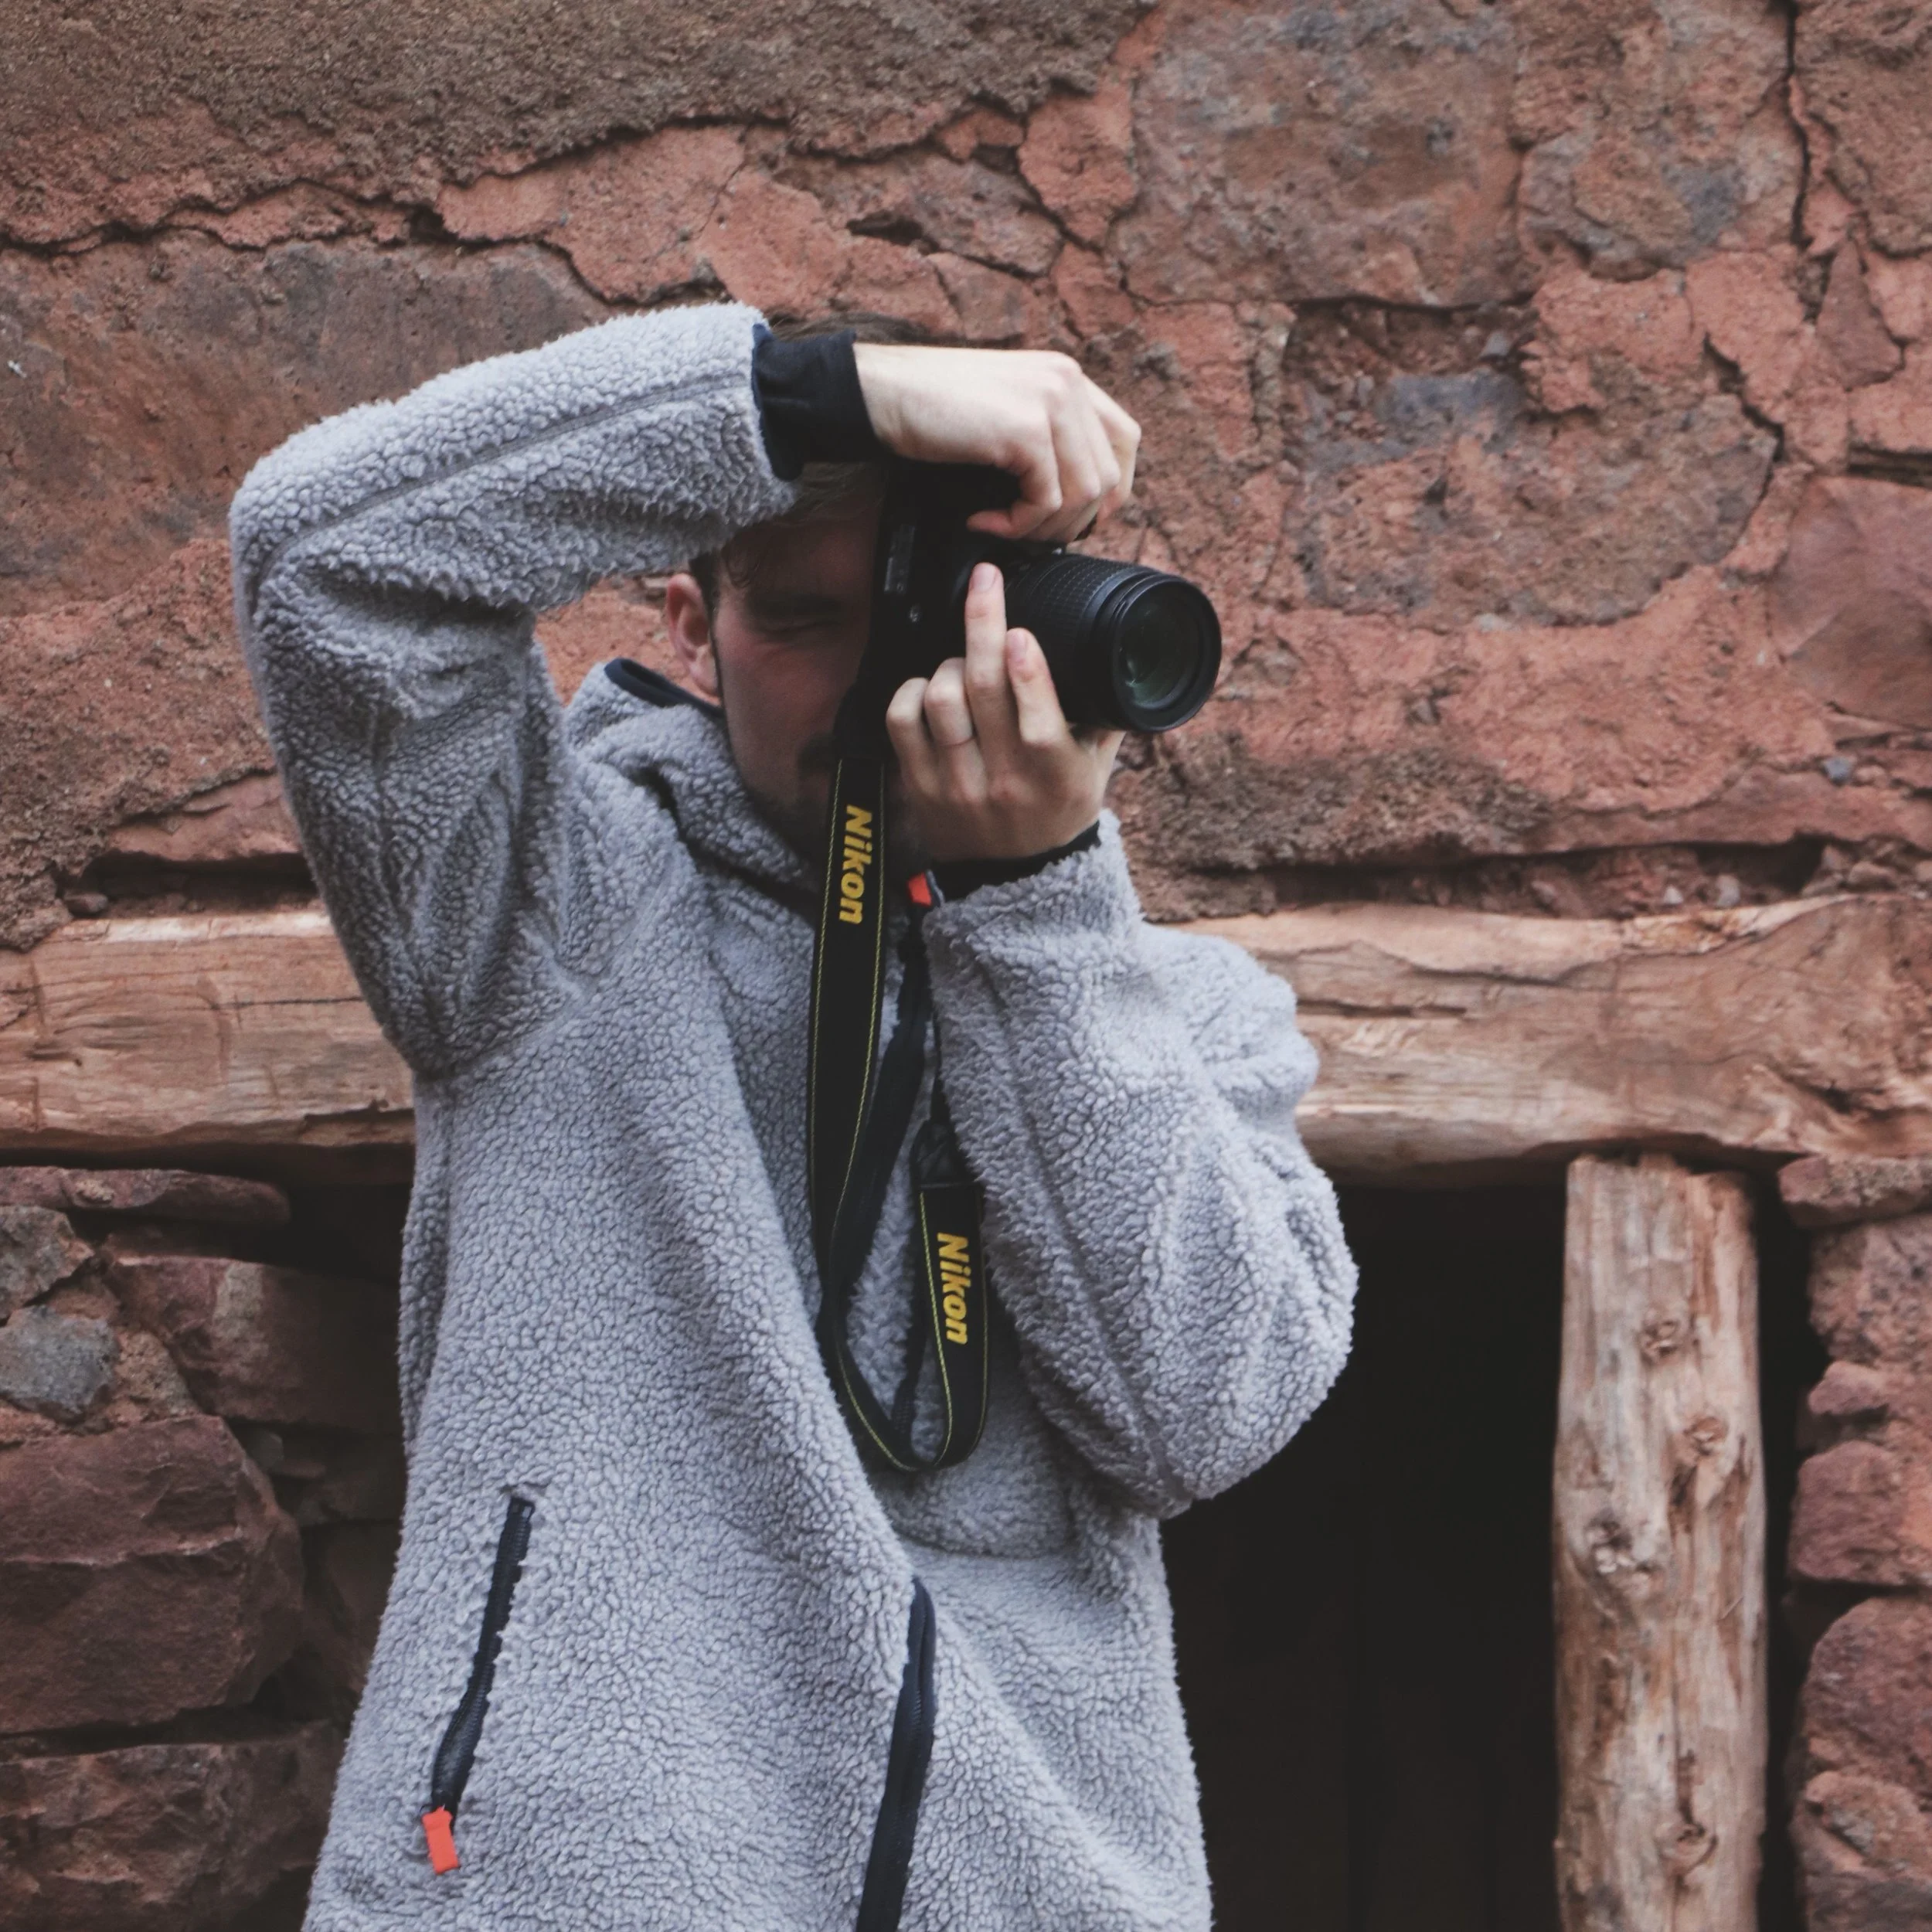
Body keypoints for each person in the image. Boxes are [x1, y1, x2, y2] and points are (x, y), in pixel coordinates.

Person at [230, 301, 1356, 1932]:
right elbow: (321, 549)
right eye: (805, 615)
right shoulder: (548, 908)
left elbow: (1201, 1412)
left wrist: (1030, 909)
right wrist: (798, 391)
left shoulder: (1179, 1016)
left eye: (924, 623)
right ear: (688, 621)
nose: (871, 683)